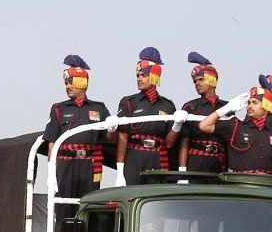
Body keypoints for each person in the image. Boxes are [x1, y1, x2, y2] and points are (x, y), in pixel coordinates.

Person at [43, 54, 112, 206]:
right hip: (66, 165)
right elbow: (51, 144)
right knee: (64, 209)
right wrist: (51, 172)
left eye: (70, 82)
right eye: (66, 83)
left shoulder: (99, 108)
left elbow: (110, 139)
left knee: (89, 207)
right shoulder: (58, 109)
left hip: (90, 165)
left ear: (82, 82)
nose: (67, 86)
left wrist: (112, 128)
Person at [112, 47, 177, 186]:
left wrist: (177, 125)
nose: (139, 79)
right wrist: (120, 171)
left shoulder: (168, 105)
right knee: (132, 194)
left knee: (155, 196)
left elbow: (169, 143)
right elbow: (122, 137)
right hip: (134, 156)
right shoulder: (128, 102)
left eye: (143, 75)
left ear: (154, 76)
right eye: (137, 75)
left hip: (157, 157)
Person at [198, 85, 272, 176]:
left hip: (266, 182)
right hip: (240, 181)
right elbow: (203, 125)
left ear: (266, 106)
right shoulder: (235, 126)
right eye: (249, 103)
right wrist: (227, 108)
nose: (250, 106)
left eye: (255, 103)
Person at [177, 52, 228, 173]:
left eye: (201, 79)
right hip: (196, 161)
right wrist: (182, 171)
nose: (197, 84)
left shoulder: (227, 107)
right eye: (195, 81)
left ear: (212, 80)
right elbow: (184, 143)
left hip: (218, 164)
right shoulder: (190, 107)